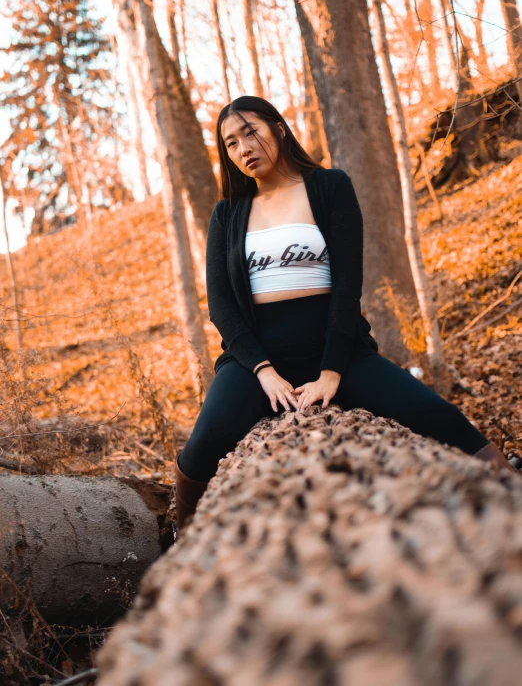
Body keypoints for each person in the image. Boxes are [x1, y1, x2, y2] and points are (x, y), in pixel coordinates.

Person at [175, 96, 516, 530]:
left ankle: (510, 492)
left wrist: (331, 372)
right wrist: (263, 371)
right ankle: (181, 536)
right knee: (205, 440)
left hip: (339, 350)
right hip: (256, 361)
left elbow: (347, 285)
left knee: (439, 417)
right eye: (231, 142)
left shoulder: (329, 186)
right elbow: (221, 306)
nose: (244, 147)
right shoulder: (227, 214)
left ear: (279, 128)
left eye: (251, 131)